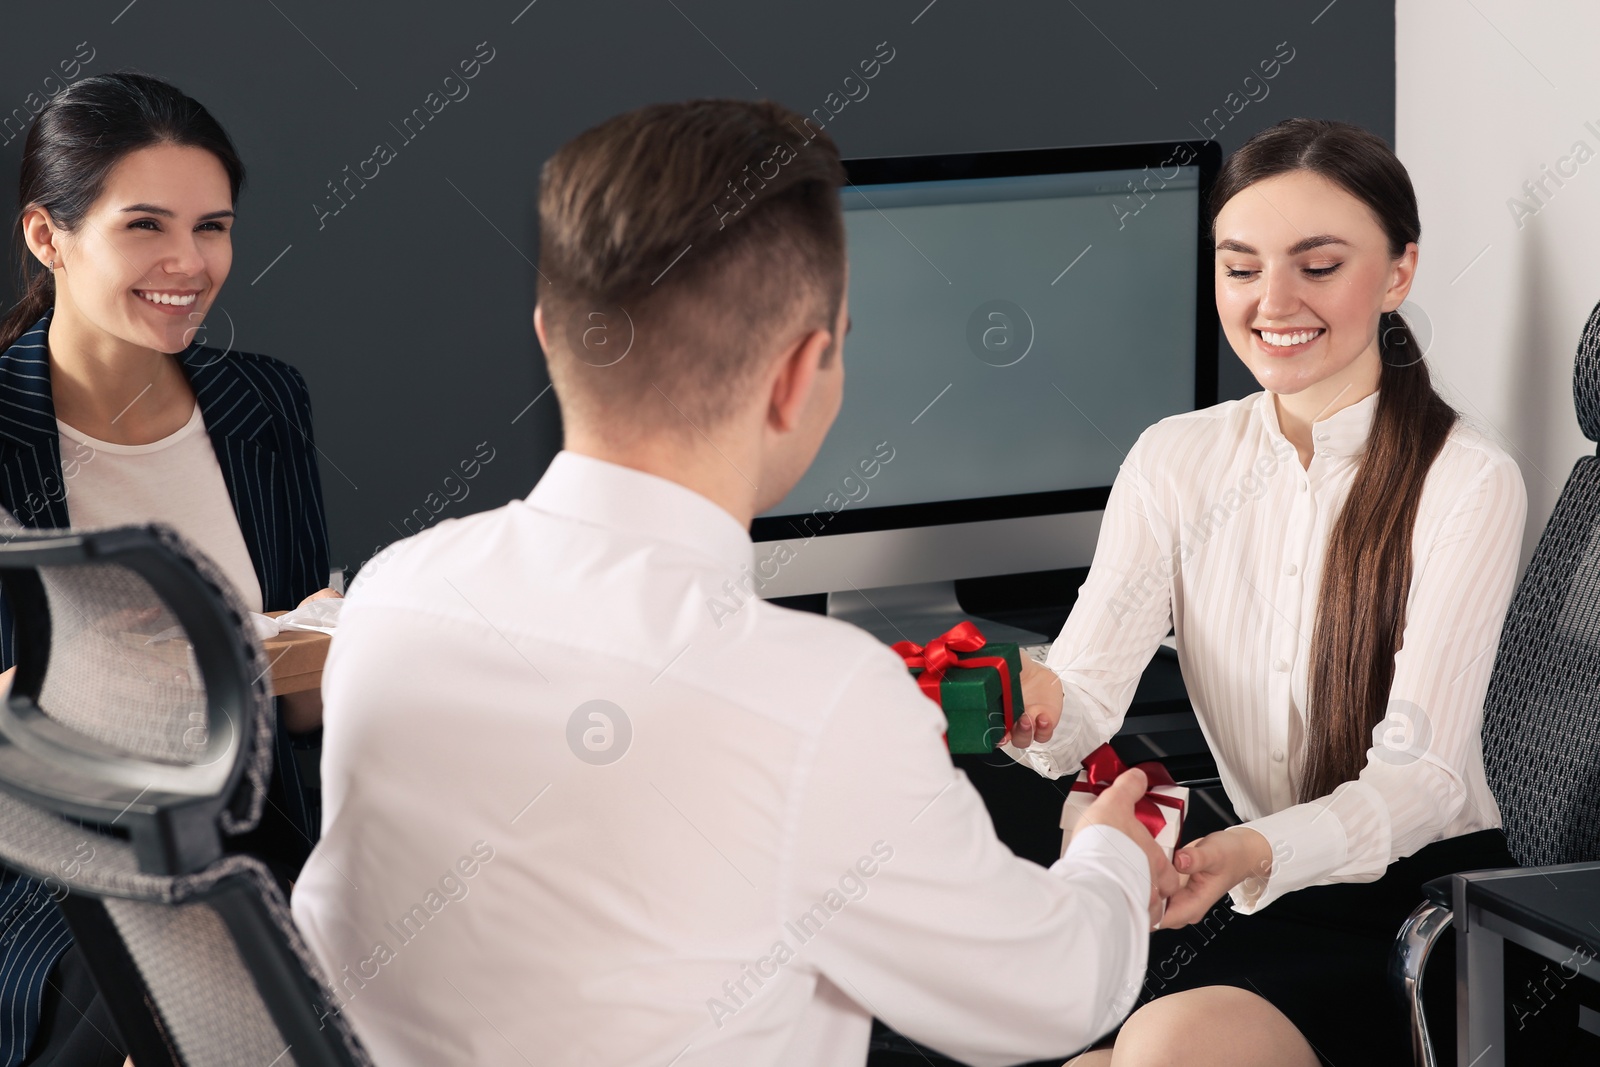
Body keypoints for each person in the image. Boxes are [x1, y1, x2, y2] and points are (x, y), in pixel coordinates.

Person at [291, 98, 1178, 1066]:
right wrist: (1111, 852)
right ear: (803, 371)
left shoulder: (395, 594)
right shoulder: (816, 696)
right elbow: (1046, 998)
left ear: (551, 335)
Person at [1002, 118, 1527, 1067]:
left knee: (1162, 1048)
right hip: (1264, 889)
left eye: (1317, 265)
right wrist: (1027, 701)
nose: (1271, 301)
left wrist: (1251, 852)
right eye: (1241, 267)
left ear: (1400, 271)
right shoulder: (1176, 459)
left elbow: (1422, 781)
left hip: (1428, 922)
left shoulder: (1467, 479)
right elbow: (1079, 701)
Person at [0, 72, 338, 1066]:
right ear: (47, 236)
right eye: (145, 225)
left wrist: (322, 650)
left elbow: (293, 690)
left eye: (214, 226)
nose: (189, 263)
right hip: (61, 875)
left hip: (269, 843)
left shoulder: (264, 402)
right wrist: (108, 680)